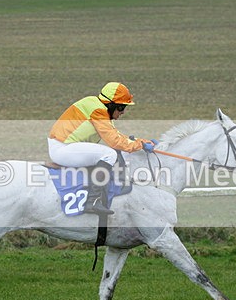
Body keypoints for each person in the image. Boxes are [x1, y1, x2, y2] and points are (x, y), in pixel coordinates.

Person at [48, 81, 156, 215]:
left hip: (64, 145)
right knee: (109, 154)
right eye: (121, 107)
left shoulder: (96, 105)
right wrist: (140, 145)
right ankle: (93, 201)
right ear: (111, 105)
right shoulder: (98, 111)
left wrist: (142, 141)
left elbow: (116, 135)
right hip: (63, 148)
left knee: (106, 152)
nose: (122, 112)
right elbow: (115, 142)